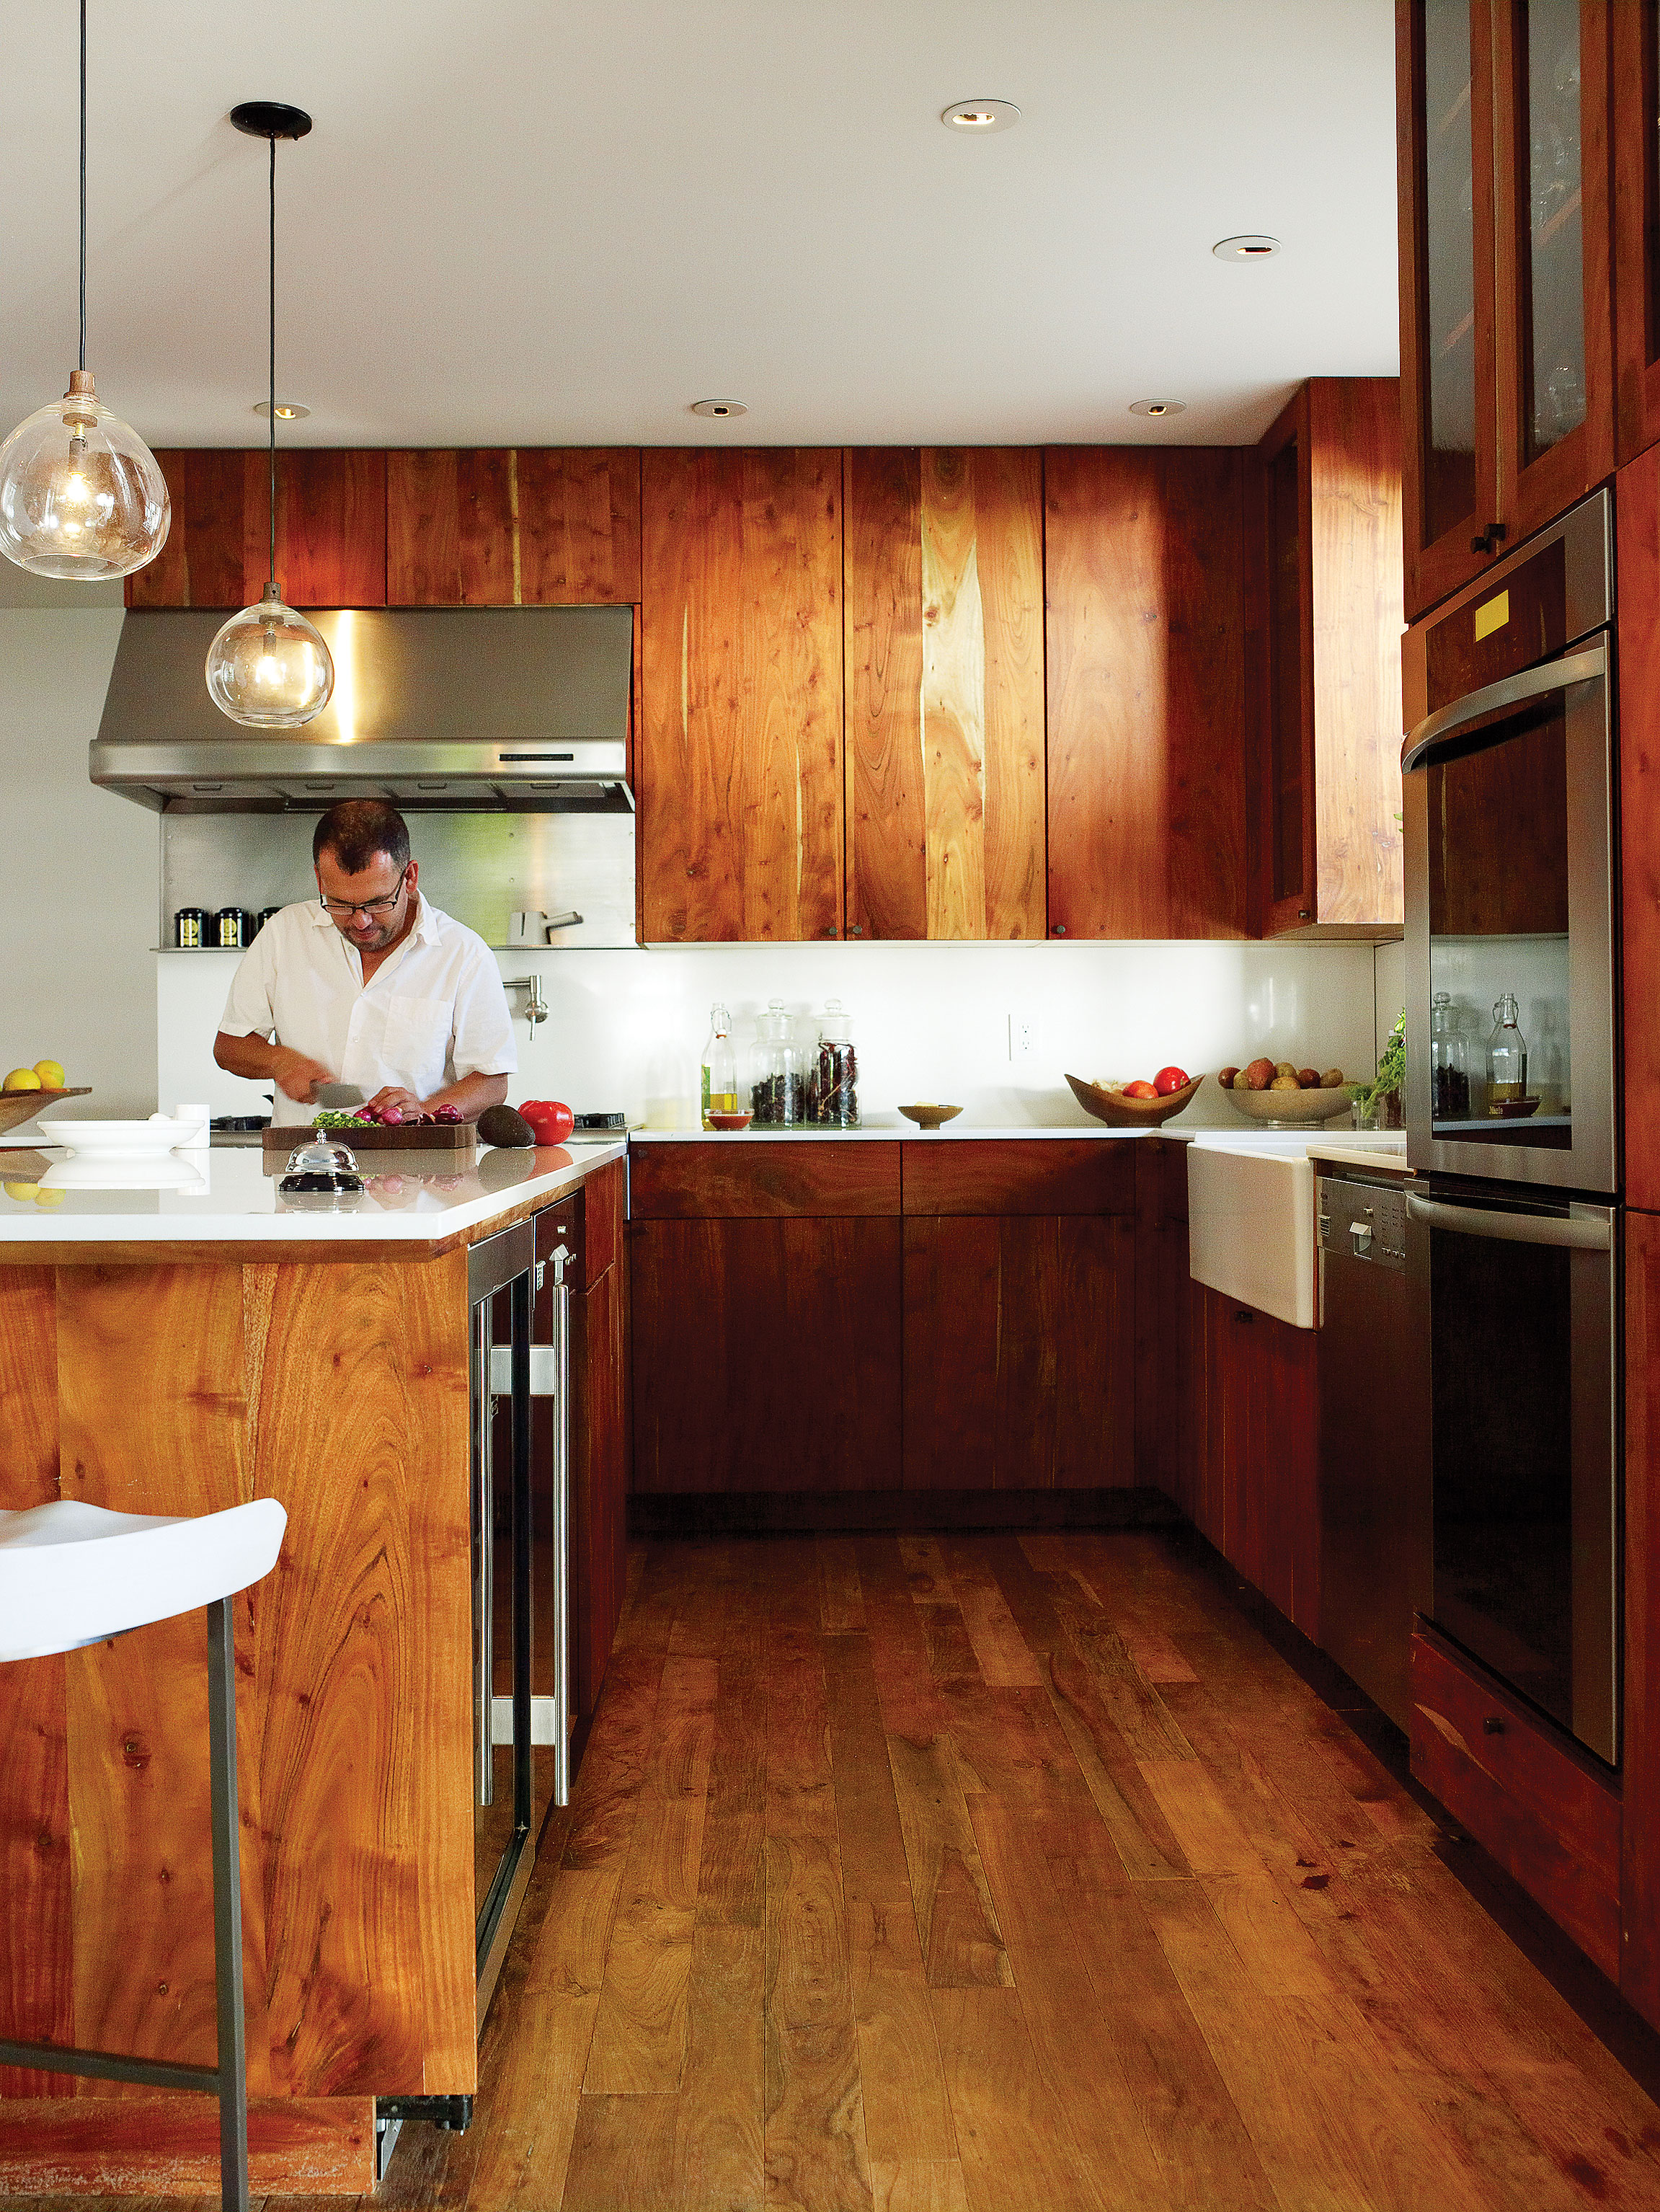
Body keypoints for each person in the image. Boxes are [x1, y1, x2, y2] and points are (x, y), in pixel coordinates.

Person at [215, 799, 518, 1127]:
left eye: (377, 903)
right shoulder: (284, 933)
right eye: (340, 904)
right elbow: (230, 1046)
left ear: (410, 877)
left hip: (416, 1159)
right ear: (320, 880)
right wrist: (279, 1061)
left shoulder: (463, 953)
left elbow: (491, 1082)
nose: (361, 921)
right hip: (306, 1157)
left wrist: (423, 1109)